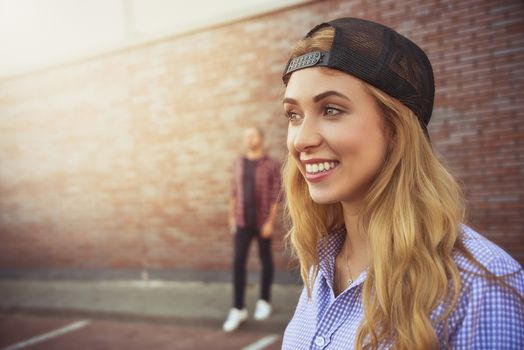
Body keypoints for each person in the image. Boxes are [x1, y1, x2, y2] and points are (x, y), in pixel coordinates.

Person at [280, 18, 523, 349]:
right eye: (294, 115)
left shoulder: (482, 286)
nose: (301, 140)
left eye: (332, 110)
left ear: (396, 128)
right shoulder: (321, 266)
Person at [222, 126, 281, 332]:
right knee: (238, 262)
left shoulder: (271, 164)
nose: (249, 139)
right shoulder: (238, 163)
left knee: (266, 261)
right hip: (241, 221)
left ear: (261, 139)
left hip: (262, 221)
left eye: (253, 135)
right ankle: (238, 308)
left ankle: (264, 300)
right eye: (246, 136)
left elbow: (276, 195)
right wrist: (231, 218)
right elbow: (233, 191)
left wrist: (270, 222)